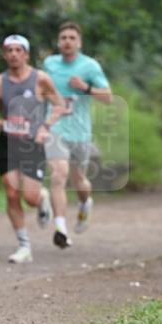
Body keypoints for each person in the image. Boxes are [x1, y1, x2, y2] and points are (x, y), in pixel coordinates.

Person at [0, 35, 64, 263]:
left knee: (29, 197)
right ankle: (24, 247)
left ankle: (41, 199)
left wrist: (45, 127)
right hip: (8, 141)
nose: (13, 54)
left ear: (26, 54)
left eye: (18, 50)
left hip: (32, 143)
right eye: (9, 50)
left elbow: (59, 105)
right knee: (11, 193)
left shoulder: (40, 79)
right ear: (4, 54)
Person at [43, 21, 112, 248]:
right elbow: (40, 88)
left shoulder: (89, 66)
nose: (67, 41)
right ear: (58, 42)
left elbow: (108, 97)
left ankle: (85, 203)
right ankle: (60, 228)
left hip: (80, 131)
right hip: (55, 128)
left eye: (72, 38)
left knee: (78, 179)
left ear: (79, 43)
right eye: (63, 38)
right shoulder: (50, 64)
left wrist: (86, 88)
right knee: (58, 174)